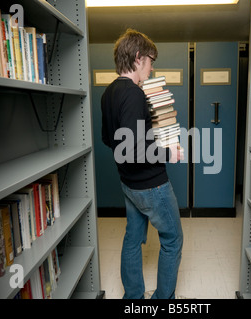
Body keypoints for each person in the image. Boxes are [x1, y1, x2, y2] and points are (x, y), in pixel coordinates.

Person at [101, 28, 184, 299]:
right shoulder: (135, 95)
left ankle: (133, 298)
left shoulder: (109, 93)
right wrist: (167, 153)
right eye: (150, 60)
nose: (151, 66)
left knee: (132, 239)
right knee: (173, 240)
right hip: (151, 185)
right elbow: (135, 150)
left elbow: (108, 139)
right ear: (138, 58)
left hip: (128, 183)